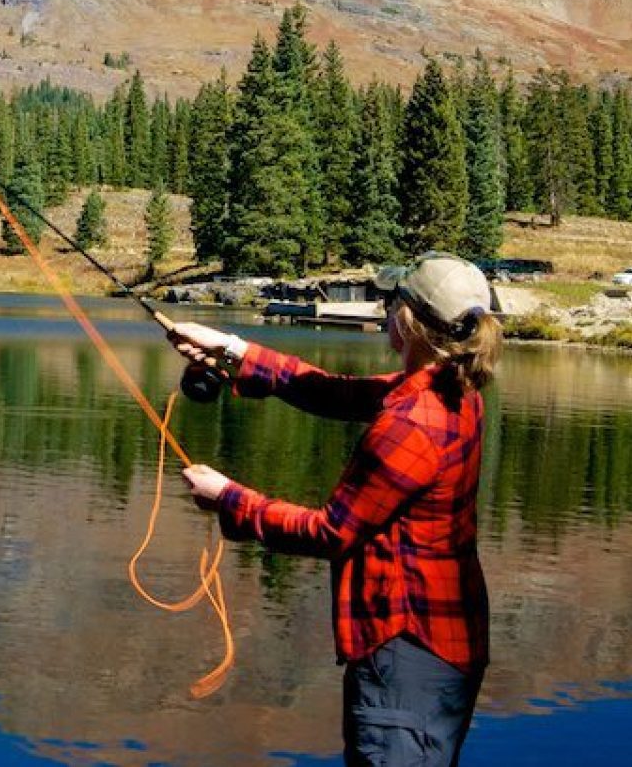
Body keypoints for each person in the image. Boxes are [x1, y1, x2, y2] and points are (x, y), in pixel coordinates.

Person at [166, 253, 499, 767]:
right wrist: (230, 351)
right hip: (441, 647)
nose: (387, 312)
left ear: (407, 321)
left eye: (393, 302)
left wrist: (228, 497)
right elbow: (331, 392)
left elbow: (330, 532)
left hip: (406, 655)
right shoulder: (452, 391)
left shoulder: (413, 424)